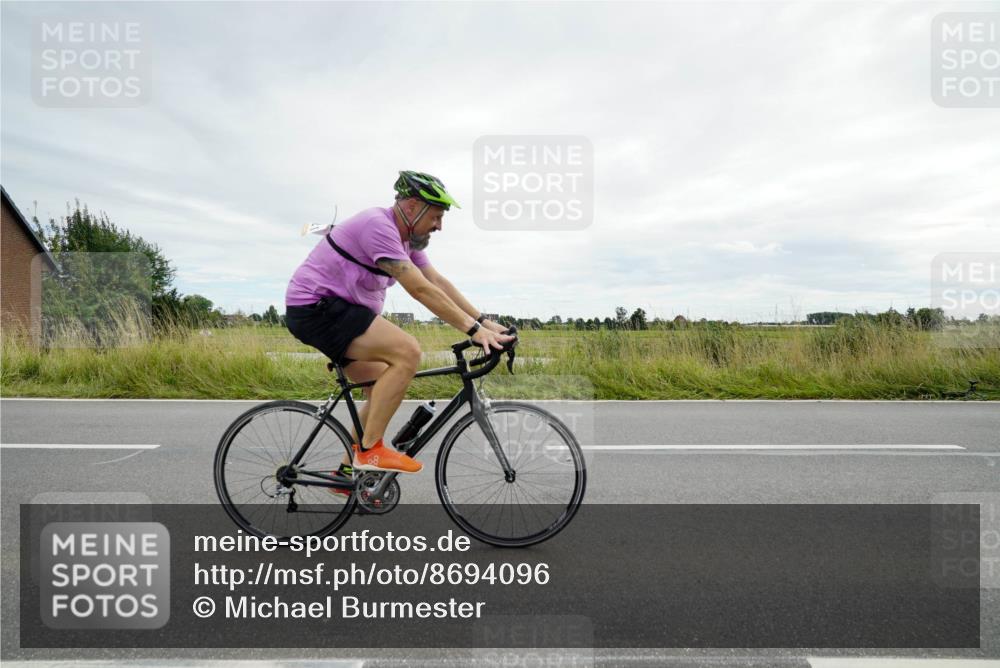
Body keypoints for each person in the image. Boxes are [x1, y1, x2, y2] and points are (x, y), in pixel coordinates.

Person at [284, 171, 513, 482]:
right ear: (411, 207)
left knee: (381, 386)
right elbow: (419, 289)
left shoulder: (406, 241)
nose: (439, 226)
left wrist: (484, 321)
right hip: (317, 309)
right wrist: (474, 331)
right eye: (436, 216)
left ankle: (346, 475)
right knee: (407, 351)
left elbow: (436, 281)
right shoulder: (378, 226)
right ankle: (370, 451)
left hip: (340, 312)